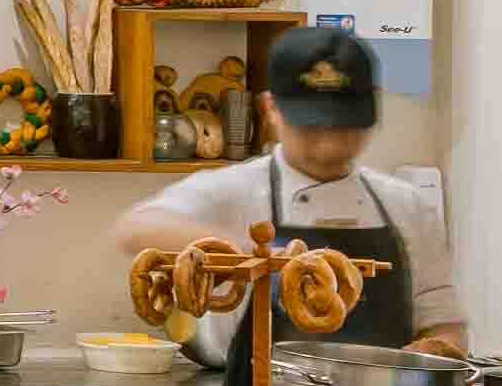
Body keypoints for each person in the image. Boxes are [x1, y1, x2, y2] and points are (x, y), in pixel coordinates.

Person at [115, 24, 461, 351]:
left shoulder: (407, 205)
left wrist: (435, 359)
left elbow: (441, 319)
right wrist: (248, 254)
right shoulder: (237, 189)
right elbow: (135, 228)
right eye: (311, 125)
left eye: (344, 124)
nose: (328, 140)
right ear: (270, 108)